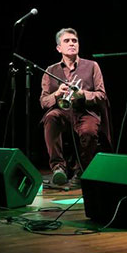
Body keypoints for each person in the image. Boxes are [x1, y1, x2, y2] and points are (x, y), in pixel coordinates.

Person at [40, 28, 112, 186]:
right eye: (67, 41)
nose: (72, 43)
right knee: (51, 117)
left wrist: (83, 94)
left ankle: (81, 170)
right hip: (62, 111)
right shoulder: (50, 70)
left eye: (75, 40)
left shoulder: (92, 66)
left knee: (89, 131)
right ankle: (58, 168)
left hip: (85, 111)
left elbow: (102, 95)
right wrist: (58, 94)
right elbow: (44, 101)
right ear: (59, 48)